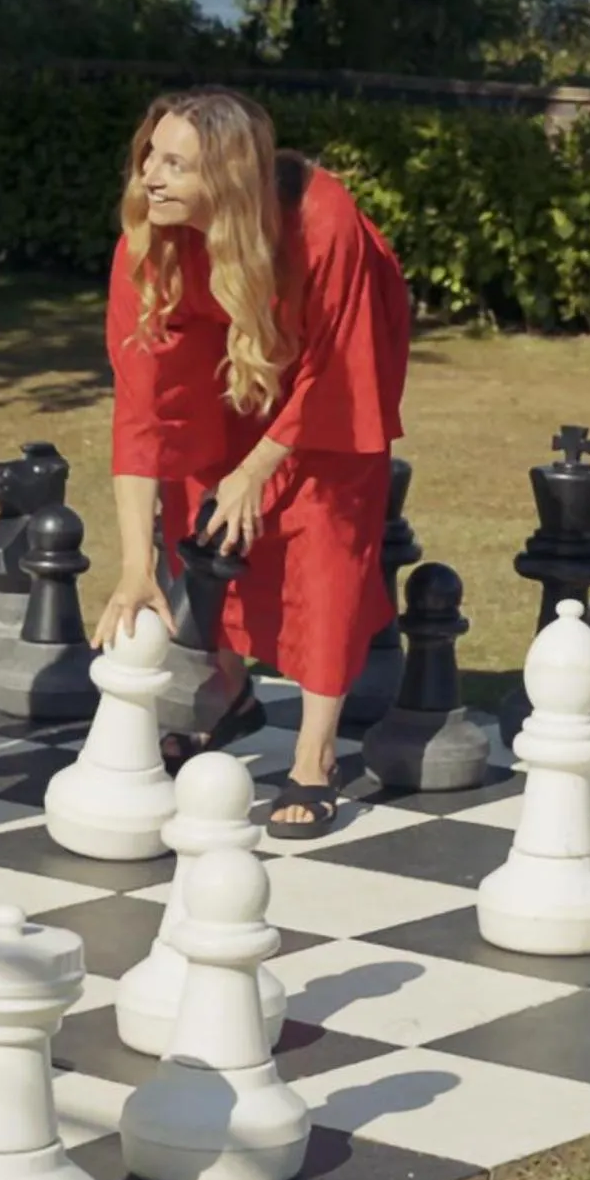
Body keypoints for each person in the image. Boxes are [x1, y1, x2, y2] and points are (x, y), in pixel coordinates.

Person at [95, 87, 411, 839]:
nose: (150, 177)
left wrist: (260, 468)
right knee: (203, 516)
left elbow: (338, 367)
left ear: (229, 176)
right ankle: (229, 696)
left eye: (174, 164)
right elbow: (142, 414)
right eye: (149, 156)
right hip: (226, 372)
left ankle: (314, 757)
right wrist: (136, 567)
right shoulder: (149, 240)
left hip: (330, 378)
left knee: (324, 539)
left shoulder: (322, 221)